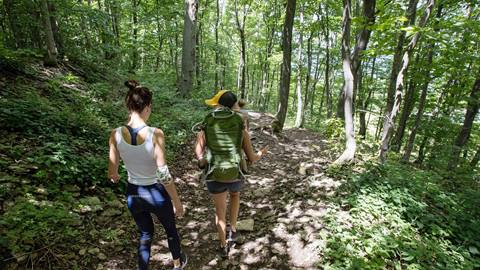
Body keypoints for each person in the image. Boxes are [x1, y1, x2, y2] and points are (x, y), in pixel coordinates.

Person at [108, 80, 187, 270]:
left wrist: (118, 176)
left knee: (145, 234)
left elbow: (112, 173)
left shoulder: (115, 134)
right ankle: (177, 264)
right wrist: (176, 202)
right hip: (156, 193)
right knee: (170, 230)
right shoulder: (155, 134)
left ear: (128, 106)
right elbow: (163, 173)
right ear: (147, 106)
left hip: (133, 193)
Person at [194, 90, 268, 257]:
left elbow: (198, 150)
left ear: (220, 105)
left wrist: (201, 159)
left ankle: (222, 246)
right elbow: (252, 157)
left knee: (219, 212)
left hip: (214, 173)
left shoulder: (208, 123)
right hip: (235, 173)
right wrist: (261, 153)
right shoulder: (240, 124)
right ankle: (233, 230)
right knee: (235, 195)